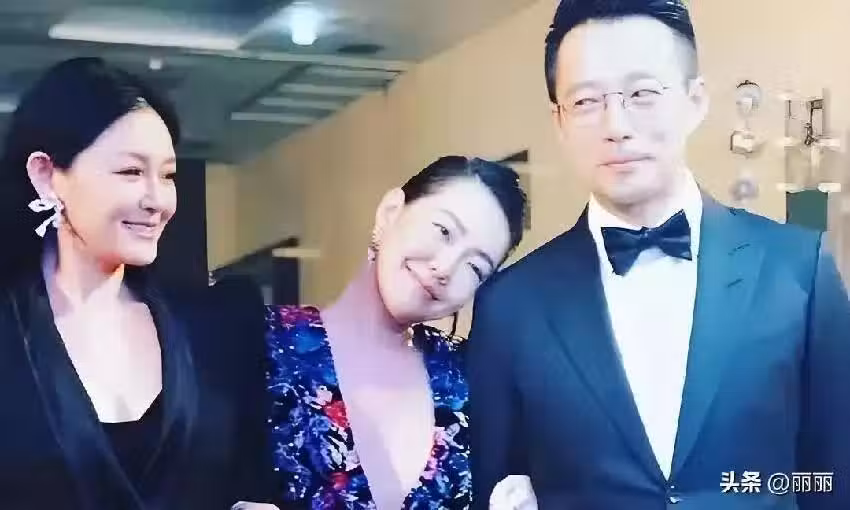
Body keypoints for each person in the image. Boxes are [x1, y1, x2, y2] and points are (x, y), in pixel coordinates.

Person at [467, 0, 850, 509]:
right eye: (586, 101)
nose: (616, 125)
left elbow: (830, 478)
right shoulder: (510, 304)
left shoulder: (800, 269)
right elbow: (494, 486)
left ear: (695, 100)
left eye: (642, 93)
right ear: (558, 120)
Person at [0, 57, 275, 509]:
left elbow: (250, 481)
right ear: (47, 176)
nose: (157, 200)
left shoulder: (214, 330)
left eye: (167, 175)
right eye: (131, 172)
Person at [264, 156, 527, 509]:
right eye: (444, 231)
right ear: (390, 212)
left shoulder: (469, 379)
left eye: (475, 267)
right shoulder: (261, 342)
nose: (445, 268)